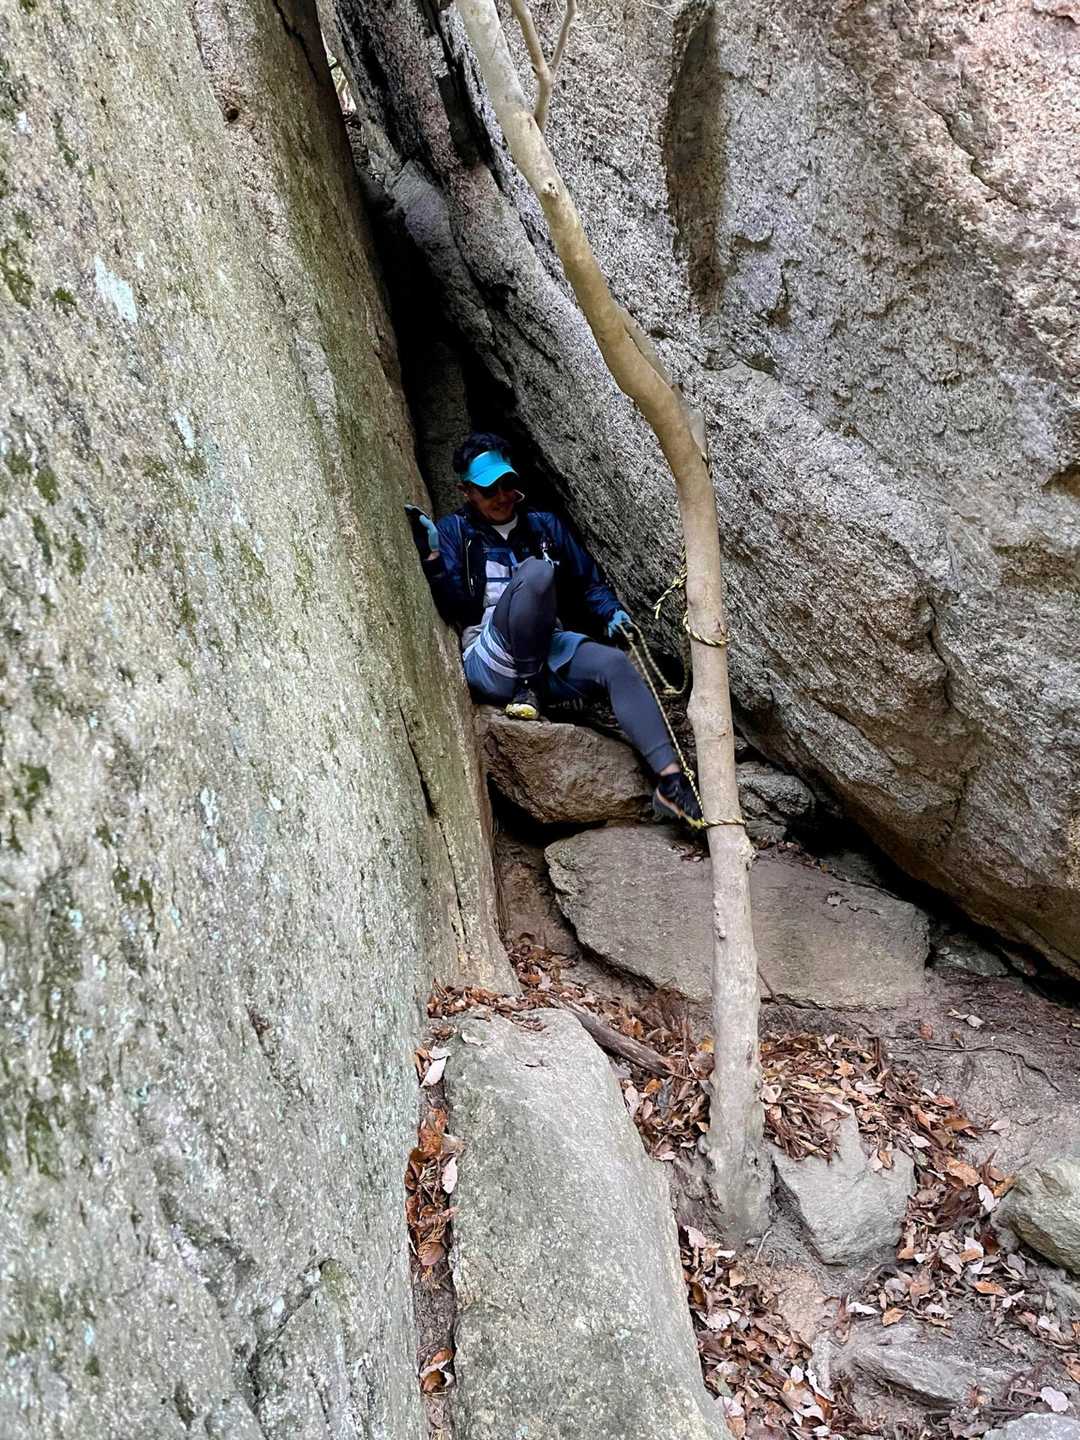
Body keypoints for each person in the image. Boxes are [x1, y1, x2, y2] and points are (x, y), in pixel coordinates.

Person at [405, 431, 703, 828]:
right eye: (488, 489)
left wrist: (611, 612)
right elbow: (456, 607)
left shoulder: (543, 526)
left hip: (546, 646)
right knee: (537, 572)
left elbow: (588, 582)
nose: (502, 496)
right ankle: (528, 686)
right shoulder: (455, 531)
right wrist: (434, 560)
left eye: (507, 483)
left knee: (614, 664)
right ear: (466, 492)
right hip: (491, 657)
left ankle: (671, 784)